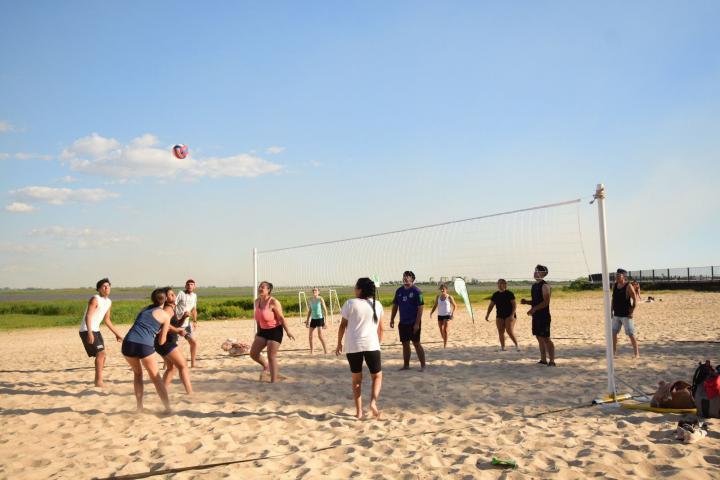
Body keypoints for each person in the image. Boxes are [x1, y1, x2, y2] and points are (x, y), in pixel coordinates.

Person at [336, 278, 384, 419]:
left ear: (360, 289)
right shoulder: (378, 304)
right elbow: (381, 329)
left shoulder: (350, 303)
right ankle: (373, 403)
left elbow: (342, 326)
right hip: (371, 344)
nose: (354, 289)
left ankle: (359, 412)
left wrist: (339, 343)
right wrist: (378, 344)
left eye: (355, 287)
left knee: (357, 379)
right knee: (377, 376)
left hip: (353, 345)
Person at [121, 288, 173, 413]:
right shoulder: (166, 316)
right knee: (156, 378)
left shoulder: (144, 309)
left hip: (128, 343)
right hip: (144, 345)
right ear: (165, 299)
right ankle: (168, 408)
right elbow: (161, 341)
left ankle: (139, 407)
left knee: (138, 374)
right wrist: (159, 331)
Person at [78, 278, 124, 387]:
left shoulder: (109, 302)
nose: (107, 288)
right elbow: (88, 316)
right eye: (104, 286)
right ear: (99, 289)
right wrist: (89, 332)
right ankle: (98, 382)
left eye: (108, 286)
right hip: (87, 329)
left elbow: (107, 320)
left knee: (103, 355)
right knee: (101, 353)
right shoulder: (95, 299)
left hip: (96, 330)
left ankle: (98, 380)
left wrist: (117, 334)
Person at [249, 281, 296, 383]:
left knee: (271, 356)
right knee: (253, 353)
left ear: (268, 290)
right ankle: (266, 367)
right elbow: (258, 319)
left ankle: (273, 382)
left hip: (275, 331)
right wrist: (258, 332)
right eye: (259, 287)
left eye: (263, 287)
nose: (260, 288)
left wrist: (288, 331)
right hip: (262, 331)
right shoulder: (257, 302)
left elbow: (281, 318)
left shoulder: (274, 302)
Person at [155, 287, 193, 394]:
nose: (174, 295)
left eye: (173, 294)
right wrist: (177, 330)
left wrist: (183, 318)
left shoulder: (172, 308)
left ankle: (162, 391)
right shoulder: (168, 309)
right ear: (165, 298)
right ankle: (190, 392)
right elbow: (163, 324)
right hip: (165, 342)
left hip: (164, 342)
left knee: (171, 368)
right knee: (183, 365)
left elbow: (174, 324)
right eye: (170, 294)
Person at [390, 270, 426, 371]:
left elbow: (421, 308)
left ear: (412, 279)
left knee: (416, 343)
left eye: (408, 276)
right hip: (403, 322)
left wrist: (417, 323)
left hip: (414, 322)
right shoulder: (399, 291)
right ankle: (406, 365)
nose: (405, 278)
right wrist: (392, 319)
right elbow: (395, 306)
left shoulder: (417, 291)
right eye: (404, 276)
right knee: (405, 344)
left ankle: (423, 365)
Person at [521, 265, 555, 366]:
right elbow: (536, 301)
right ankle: (543, 360)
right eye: (535, 271)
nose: (535, 272)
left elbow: (546, 302)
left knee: (546, 338)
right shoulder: (534, 286)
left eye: (537, 271)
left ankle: (552, 361)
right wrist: (527, 302)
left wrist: (534, 309)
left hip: (544, 316)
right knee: (539, 338)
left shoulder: (545, 286)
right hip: (536, 316)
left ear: (543, 274)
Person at [612, 269, 641, 358]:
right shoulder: (615, 285)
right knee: (613, 333)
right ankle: (614, 353)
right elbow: (613, 299)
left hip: (626, 315)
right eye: (616, 275)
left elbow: (634, 299)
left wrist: (632, 311)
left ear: (623, 276)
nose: (616, 277)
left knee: (631, 334)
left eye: (618, 275)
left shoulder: (628, 286)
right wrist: (611, 310)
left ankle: (637, 354)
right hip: (616, 314)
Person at [485, 279, 519, 351]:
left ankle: (517, 345)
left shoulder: (509, 293)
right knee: (500, 331)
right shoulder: (495, 295)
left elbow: (514, 305)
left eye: (502, 283)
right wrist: (487, 314)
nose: (500, 285)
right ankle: (503, 347)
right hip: (500, 315)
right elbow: (491, 305)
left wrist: (512, 315)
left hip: (509, 314)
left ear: (505, 285)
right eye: (499, 283)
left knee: (509, 330)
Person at [175, 279, 199, 368]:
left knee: (193, 342)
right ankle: (166, 365)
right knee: (173, 345)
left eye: (192, 284)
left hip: (187, 324)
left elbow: (194, 309)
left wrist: (195, 321)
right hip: (178, 323)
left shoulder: (194, 296)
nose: (190, 286)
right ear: (185, 286)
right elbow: (173, 305)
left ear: (194, 287)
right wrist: (175, 318)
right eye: (188, 284)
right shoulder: (181, 293)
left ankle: (193, 364)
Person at [429, 283, 457, 348]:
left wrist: (453, 313)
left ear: (446, 289)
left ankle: (445, 344)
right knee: (440, 329)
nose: (442, 290)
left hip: (447, 314)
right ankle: (445, 339)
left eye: (443, 289)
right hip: (440, 315)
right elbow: (435, 305)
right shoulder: (438, 297)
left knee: (445, 329)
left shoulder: (449, 297)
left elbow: (455, 305)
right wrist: (431, 312)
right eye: (441, 289)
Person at [305, 287, 329, 354]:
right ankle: (312, 351)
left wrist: (325, 322)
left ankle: (325, 351)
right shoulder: (311, 300)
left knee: (320, 336)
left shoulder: (320, 299)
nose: (314, 291)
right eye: (313, 290)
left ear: (318, 292)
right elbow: (310, 311)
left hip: (320, 319)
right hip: (313, 319)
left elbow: (325, 311)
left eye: (316, 290)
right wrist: (307, 321)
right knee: (310, 335)